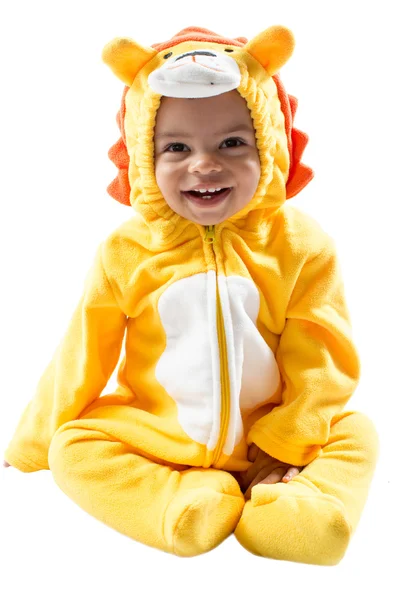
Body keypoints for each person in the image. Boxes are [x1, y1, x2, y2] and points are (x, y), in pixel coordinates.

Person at [3, 24, 379, 565]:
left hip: (269, 441)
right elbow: (82, 353)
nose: (204, 164)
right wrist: (32, 440)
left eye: (232, 143)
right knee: (74, 448)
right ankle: (185, 505)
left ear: (270, 146)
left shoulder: (301, 245)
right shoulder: (126, 251)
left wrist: (287, 439)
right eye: (176, 147)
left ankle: (300, 515)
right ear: (142, 156)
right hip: (160, 438)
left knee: (354, 430)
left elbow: (324, 354)